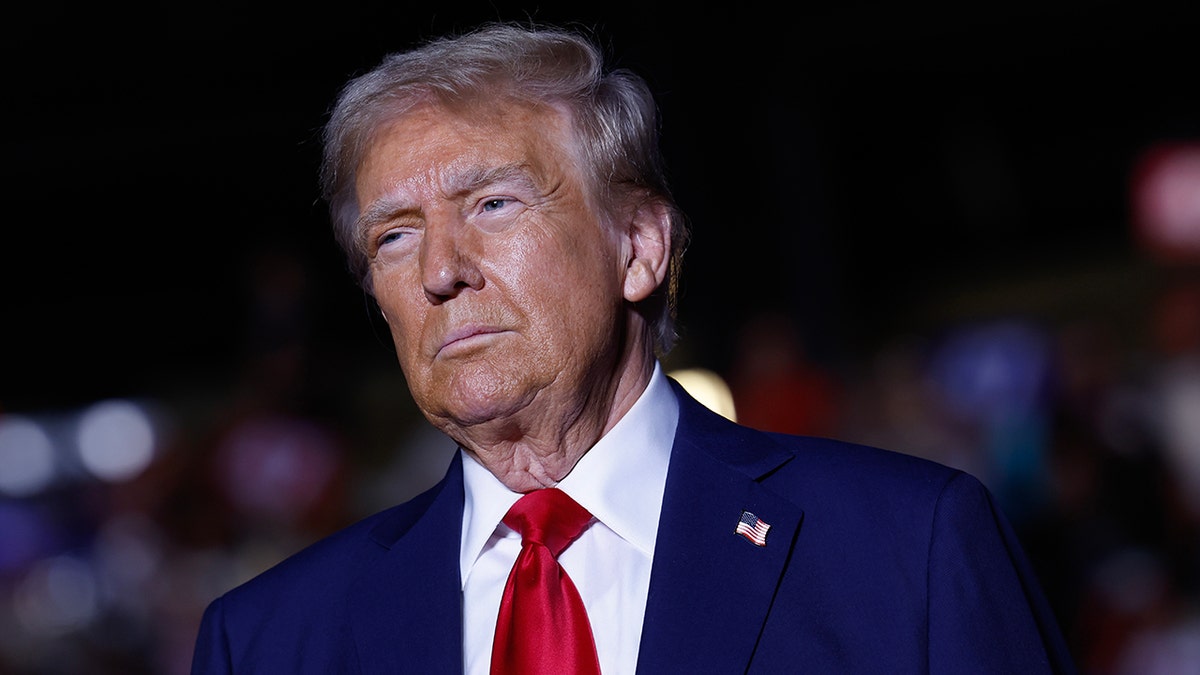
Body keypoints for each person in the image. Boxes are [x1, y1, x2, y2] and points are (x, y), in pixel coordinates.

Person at [190, 21, 1077, 674]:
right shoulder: (268, 642)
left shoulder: (903, 550)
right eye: (393, 236)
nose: (440, 271)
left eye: (493, 204)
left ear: (639, 247)